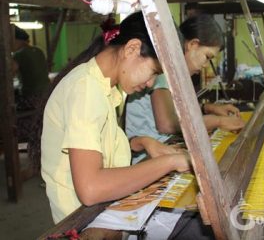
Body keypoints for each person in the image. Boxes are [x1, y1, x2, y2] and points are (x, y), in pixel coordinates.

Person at [35, 11, 191, 224]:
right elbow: (91, 188)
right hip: (81, 224)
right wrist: (170, 162)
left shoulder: (106, 88)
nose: (151, 84)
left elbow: (96, 149)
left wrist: (141, 142)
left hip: (100, 214)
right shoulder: (86, 90)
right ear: (132, 49)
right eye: (154, 71)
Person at [126, 14, 245, 163]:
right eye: (207, 57)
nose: (206, 65)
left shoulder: (176, 74)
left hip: (163, 151)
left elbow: (174, 110)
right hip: (146, 159)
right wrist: (218, 121)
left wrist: (206, 108)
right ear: (193, 45)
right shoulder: (163, 71)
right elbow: (167, 124)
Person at [12, 25, 50, 110]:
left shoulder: (19, 54)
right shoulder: (39, 50)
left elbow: (9, 74)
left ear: (18, 41)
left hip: (32, 97)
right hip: (47, 94)